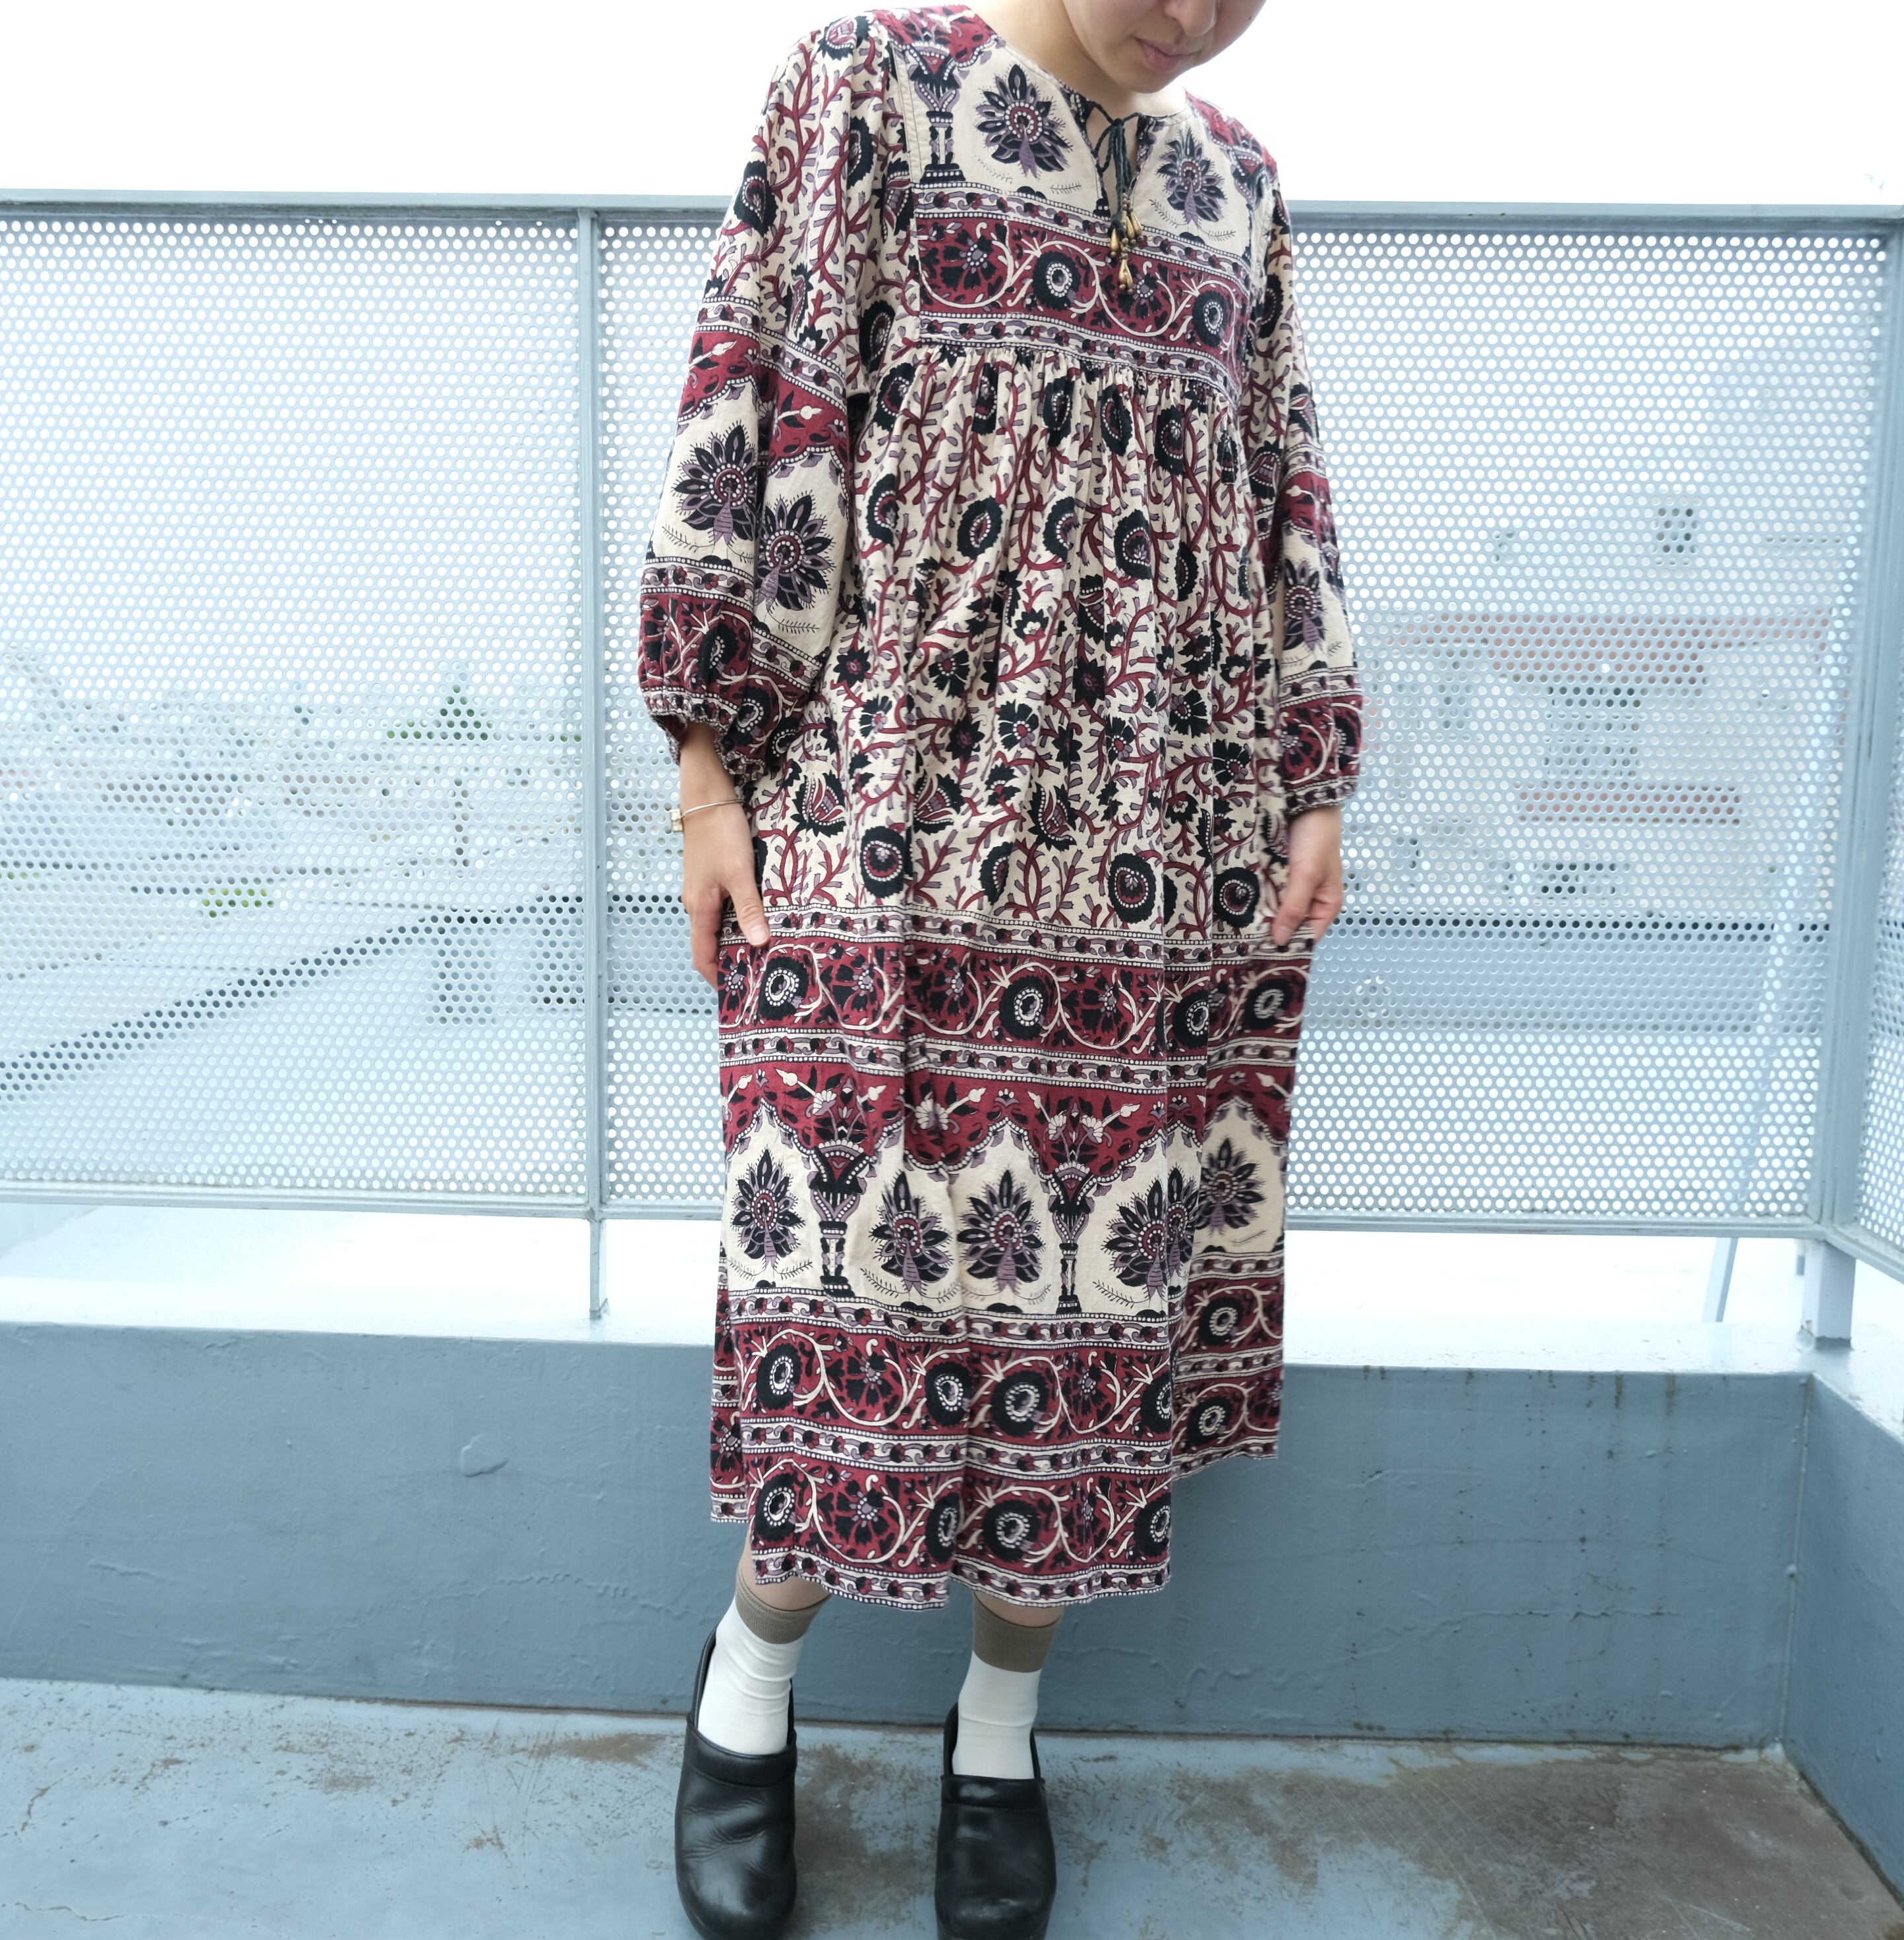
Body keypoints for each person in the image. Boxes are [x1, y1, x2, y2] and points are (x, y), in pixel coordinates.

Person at [637, 2, 1364, 1933]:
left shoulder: (1241, 189)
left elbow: (1286, 493)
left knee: (1100, 1320)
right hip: (882, 831)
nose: (1194, 15)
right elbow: (751, 410)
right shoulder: (868, 89)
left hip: (1163, 856)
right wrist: (708, 778)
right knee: (839, 1286)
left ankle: (998, 1735)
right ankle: (747, 1693)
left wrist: (1313, 776)